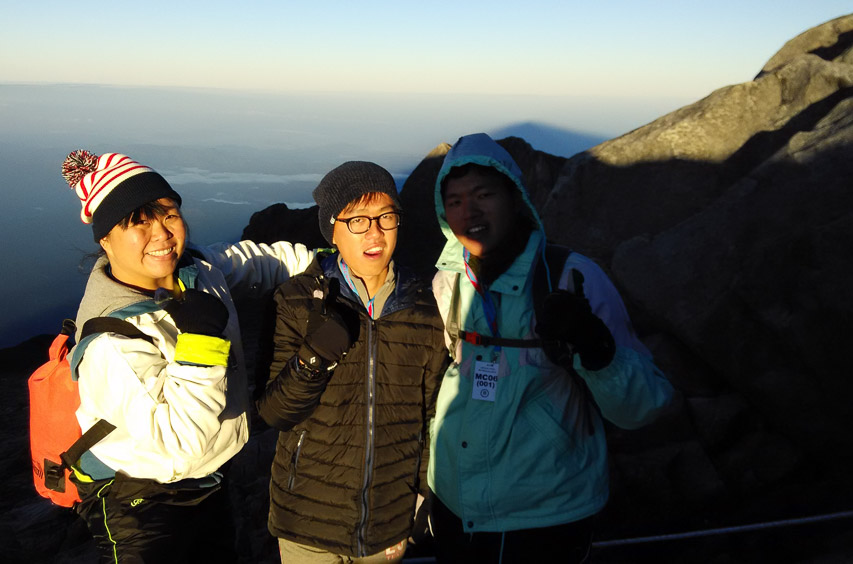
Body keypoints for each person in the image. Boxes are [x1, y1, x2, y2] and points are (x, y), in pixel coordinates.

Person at [427, 133, 674, 563]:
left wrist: (597, 349)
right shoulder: (448, 281)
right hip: (455, 510)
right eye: (456, 201)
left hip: (543, 520)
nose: (470, 211)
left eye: (484, 194)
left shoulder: (571, 277)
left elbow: (645, 405)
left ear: (514, 196)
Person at [60, 150, 314, 563]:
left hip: (208, 482)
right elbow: (182, 444)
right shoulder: (113, 340)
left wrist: (321, 266)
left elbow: (252, 262)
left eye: (169, 214)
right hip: (142, 505)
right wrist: (200, 344)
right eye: (138, 222)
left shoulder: (193, 269)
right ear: (106, 239)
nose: (161, 233)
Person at [256, 161, 448, 563]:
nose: (374, 232)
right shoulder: (296, 300)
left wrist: (422, 502)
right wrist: (314, 357)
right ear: (333, 230)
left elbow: (432, 417)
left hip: (387, 525)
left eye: (385, 217)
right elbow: (275, 413)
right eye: (358, 219)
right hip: (306, 523)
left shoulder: (426, 306)